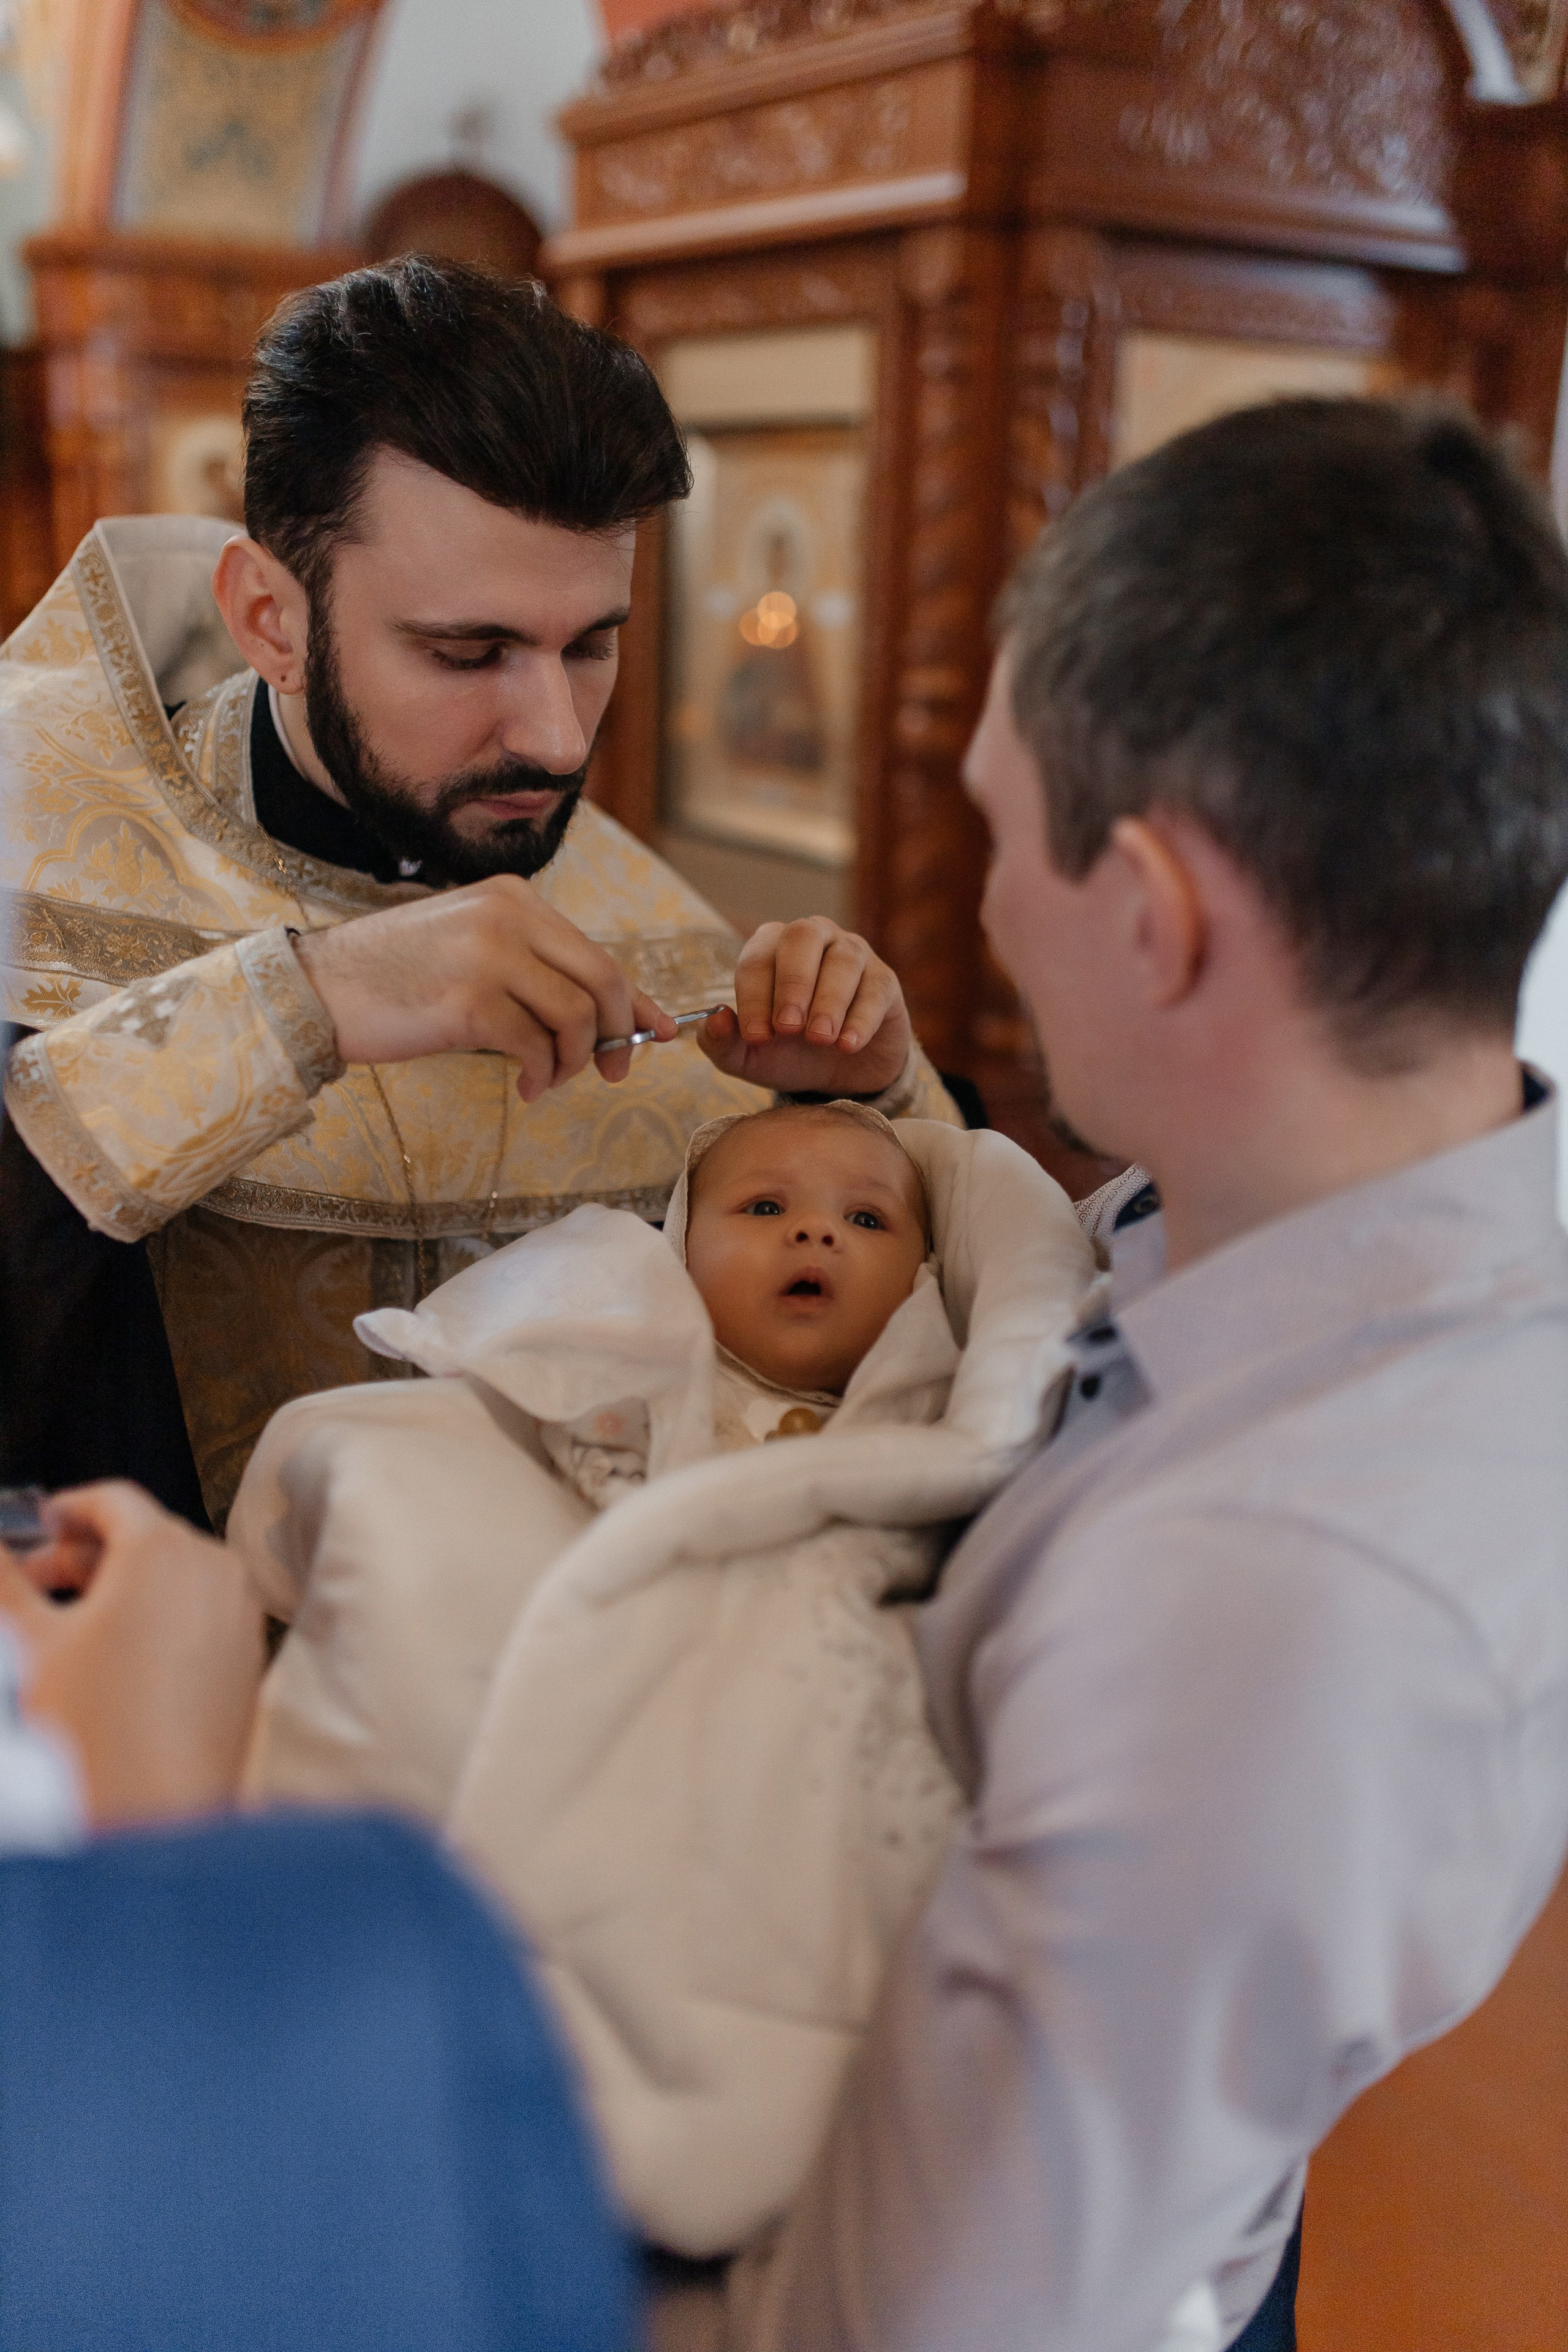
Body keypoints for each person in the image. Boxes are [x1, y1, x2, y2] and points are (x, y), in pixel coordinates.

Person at [0, 258, 955, 1532]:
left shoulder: (641, 908)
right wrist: (308, 998)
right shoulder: (35, 844)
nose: (558, 742)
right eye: (469, 652)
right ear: (269, 618)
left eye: (591, 644)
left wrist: (867, 1101)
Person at [228, 1100, 1096, 2255]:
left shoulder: (932, 1419)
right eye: (766, 1207)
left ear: (929, 1276)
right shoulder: (612, 1377)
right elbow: (414, 1452)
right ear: (681, 1249)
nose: (815, 1237)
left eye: (867, 1218)